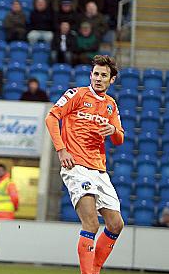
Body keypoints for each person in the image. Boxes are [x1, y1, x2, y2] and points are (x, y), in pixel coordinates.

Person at [45, 55, 125, 274]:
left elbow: (119, 139)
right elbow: (52, 118)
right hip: (76, 166)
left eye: (104, 75)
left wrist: (113, 131)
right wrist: (61, 149)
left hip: (99, 169)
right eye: (96, 74)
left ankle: (95, 269)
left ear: (112, 80)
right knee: (91, 224)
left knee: (116, 225)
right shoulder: (76, 95)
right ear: (91, 75)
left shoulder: (111, 105)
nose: (98, 79)